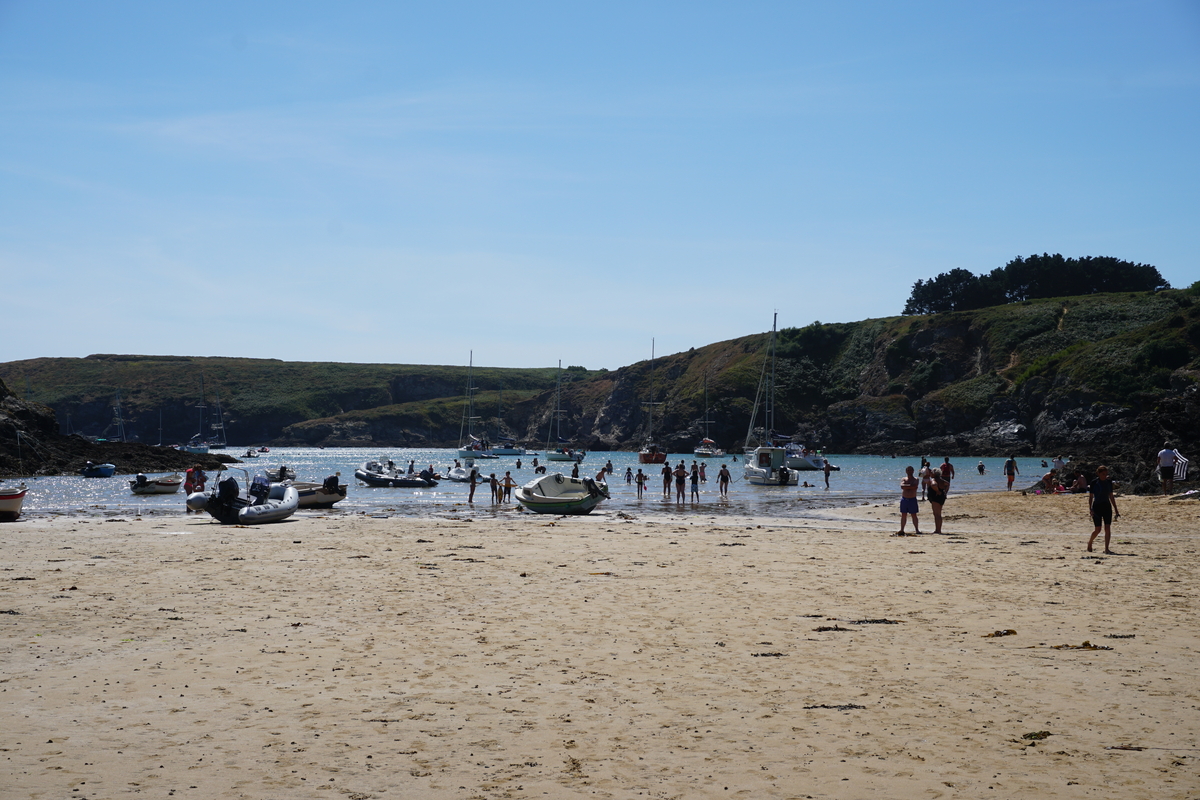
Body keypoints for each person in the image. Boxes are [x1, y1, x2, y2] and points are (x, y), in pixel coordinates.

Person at [1087, 465, 1119, 554]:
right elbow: (1091, 497)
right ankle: (1090, 542)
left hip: (1107, 506)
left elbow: (1111, 496)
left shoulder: (1108, 482)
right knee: (1098, 529)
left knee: (1107, 528)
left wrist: (1116, 509)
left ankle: (1106, 549)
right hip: (1097, 507)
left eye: (1106, 474)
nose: (1105, 476)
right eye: (1103, 474)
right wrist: (1090, 509)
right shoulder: (1094, 483)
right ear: (1098, 474)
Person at [897, 465, 921, 534]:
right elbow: (902, 486)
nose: (909, 471)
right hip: (904, 499)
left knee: (914, 515)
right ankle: (902, 529)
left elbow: (915, 487)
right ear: (906, 471)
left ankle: (917, 529)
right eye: (908, 470)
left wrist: (907, 486)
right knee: (903, 515)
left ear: (913, 471)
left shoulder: (916, 479)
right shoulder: (903, 479)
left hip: (912, 499)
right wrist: (910, 486)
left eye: (911, 470)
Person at [928, 467, 949, 534]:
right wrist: (945, 492)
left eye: (931, 472)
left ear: (934, 473)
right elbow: (947, 484)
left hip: (935, 497)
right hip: (941, 497)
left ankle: (938, 530)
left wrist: (937, 490)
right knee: (939, 514)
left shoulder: (933, 480)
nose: (930, 473)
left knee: (936, 514)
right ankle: (938, 529)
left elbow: (934, 484)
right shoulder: (941, 480)